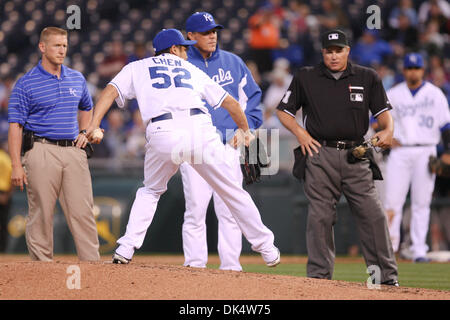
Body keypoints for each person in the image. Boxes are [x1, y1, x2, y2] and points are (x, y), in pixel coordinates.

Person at [85, 28, 280, 267]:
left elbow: (109, 91)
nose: (187, 52)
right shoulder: (191, 70)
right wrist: (245, 131)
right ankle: (267, 249)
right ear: (173, 49)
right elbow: (230, 102)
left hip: (162, 131)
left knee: (150, 191)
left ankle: (124, 250)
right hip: (199, 130)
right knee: (232, 191)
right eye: (184, 47)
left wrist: (93, 124)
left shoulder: (137, 67)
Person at [276, 29, 399, 285]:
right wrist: (300, 133)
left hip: (357, 154)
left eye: (339, 50)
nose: (334, 56)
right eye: (329, 51)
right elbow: (284, 111)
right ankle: (320, 280)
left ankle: (386, 280)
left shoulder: (367, 77)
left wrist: (388, 130)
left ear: (348, 51)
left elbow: (385, 118)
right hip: (320, 154)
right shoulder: (306, 76)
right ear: (322, 52)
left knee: (373, 216)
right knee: (320, 217)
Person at [180, 12, 263, 271]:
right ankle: (195, 265)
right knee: (195, 208)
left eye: (214, 31)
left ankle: (231, 267)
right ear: (190, 36)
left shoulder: (233, 62)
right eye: (206, 32)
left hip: (228, 146)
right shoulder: (180, 66)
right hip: (194, 146)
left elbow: (254, 99)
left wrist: (246, 128)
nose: (212, 36)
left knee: (229, 207)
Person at [7, 27, 100, 261]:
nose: (62, 50)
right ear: (42, 47)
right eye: (57, 45)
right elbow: (15, 126)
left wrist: (83, 131)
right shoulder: (26, 83)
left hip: (73, 150)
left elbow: (87, 107)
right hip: (41, 149)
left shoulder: (77, 78)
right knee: (42, 213)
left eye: (65, 45)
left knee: (83, 211)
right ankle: (42, 271)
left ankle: (94, 268)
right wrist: (16, 164)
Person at [383, 53, 450, 263]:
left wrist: (447, 152)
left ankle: (419, 250)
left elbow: (446, 126)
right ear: (404, 70)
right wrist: (387, 136)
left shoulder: (435, 94)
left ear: (423, 70)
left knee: (422, 203)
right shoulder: (393, 93)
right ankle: (390, 247)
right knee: (392, 202)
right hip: (400, 151)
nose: (413, 72)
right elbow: (377, 120)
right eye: (410, 68)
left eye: (417, 68)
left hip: (426, 150)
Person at [0, 139, 12, 252]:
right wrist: (7, 195)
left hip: (3, 191)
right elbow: (12, 179)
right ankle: (3, 249)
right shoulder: (6, 159)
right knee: (3, 223)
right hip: (3, 193)